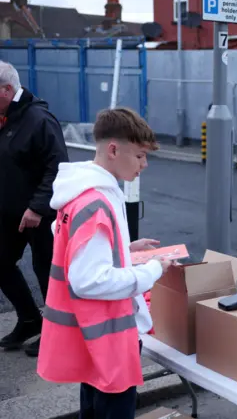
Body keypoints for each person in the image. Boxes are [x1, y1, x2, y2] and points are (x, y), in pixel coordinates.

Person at [37, 108, 173, 419]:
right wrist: (153, 270)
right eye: (139, 156)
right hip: (110, 336)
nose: (145, 164)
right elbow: (89, 281)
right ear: (113, 150)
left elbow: (76, 246)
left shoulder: (79, 193)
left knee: (93, 408)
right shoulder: (98, 201)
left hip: (92, 334)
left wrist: (123, 249)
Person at [0, 60, 68, 357]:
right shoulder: (5, 117)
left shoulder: (39, 119)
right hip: (8, 210)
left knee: (47, 271)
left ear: (6, 89)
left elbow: (58, 166)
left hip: (39, 214)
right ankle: (30, 319)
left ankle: (57, 332)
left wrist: (38, 208)